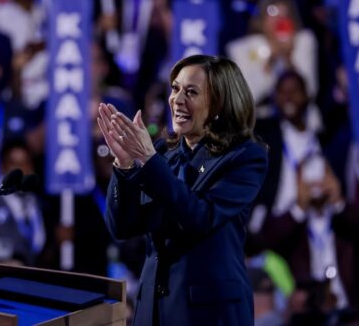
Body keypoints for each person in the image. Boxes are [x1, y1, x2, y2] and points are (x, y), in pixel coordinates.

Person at [98, 55, 268, 325]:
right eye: (175, 88)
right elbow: (122, 227)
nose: (177, 99)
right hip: (152, 311)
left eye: (191, 92)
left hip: (207, 314)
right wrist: (125, 165)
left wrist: (149, 161)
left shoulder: (245, 157)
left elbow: (199, 216)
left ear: (219, 104)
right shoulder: (165, 154)